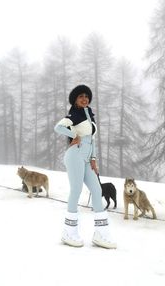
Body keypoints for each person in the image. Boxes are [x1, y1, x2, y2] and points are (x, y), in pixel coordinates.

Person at [54, 84, 116, 249]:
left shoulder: (89, 115)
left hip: (87, 158)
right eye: (81, 96)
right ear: (75, 100)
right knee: (76, 190)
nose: (84, 98)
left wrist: (94, 159)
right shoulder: (74, 115)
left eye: (86, 96)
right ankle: (69, 232)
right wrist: (74, 135)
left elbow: (92, 139)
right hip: (75, 155)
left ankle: (101, 234)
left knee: (97, 190)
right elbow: (58, 127)